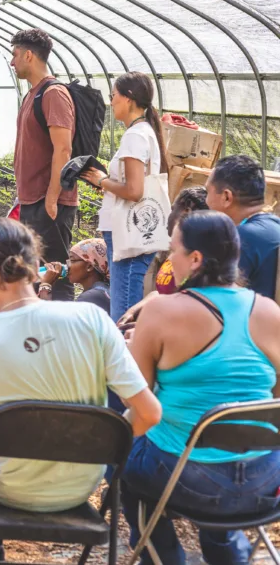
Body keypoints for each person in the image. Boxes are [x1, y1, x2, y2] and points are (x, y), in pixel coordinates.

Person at [0, 217, 161, 558]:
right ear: (37, 268)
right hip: (81, 487)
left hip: (0, 488)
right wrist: (106, 449)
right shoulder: (93, 320)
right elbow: (149, 411)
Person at [123, 210, 280, 565]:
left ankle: (163, 557)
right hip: (265, 483)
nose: (169, 258)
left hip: (186, 481)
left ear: (195, 259)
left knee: (122, 453)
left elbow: (134, 397)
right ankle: (225, 550)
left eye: (172, 250)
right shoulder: (270, 312)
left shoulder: (160, 311)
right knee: (225, 440)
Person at [81, 71, 169, 322]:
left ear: (128, 98)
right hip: (133, 230)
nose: (111, 102)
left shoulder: (135, 136)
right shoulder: (145, 132)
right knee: (127, 307)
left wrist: (102, 181)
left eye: (113, 96)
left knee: (123, 315)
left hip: (127, 233)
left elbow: (133, 191)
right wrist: (106, 184)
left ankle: (128, 360)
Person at [10, 29, 77, 301]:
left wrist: (52, 196)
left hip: (49, 202)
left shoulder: (53, 94)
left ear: (29, 55)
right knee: (37, 272)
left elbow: (63, 148)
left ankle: (64, 335)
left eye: (15, 55)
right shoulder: (32, 95)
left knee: (55, 272)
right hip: (32, 200)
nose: (12, 62)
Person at [118, 187, 208, 325]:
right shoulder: (176, 251)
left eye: (172, 209)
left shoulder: (196, 260)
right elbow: (161, 293)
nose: (168, 215)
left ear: (186, 211)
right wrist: (133, 311)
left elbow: (186, 309)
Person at [206, 154, 280, 299]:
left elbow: (216, 301)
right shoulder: (274, 224)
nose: (206, 201)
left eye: (207, 192)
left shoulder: (240, 238)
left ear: (226, 197)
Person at [37, 238, 111, 313]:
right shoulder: (102, 291)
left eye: (72, 260)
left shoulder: (92, 297)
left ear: (89, 266)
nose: (68, 265)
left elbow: (50, 322)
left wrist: (45, 286)